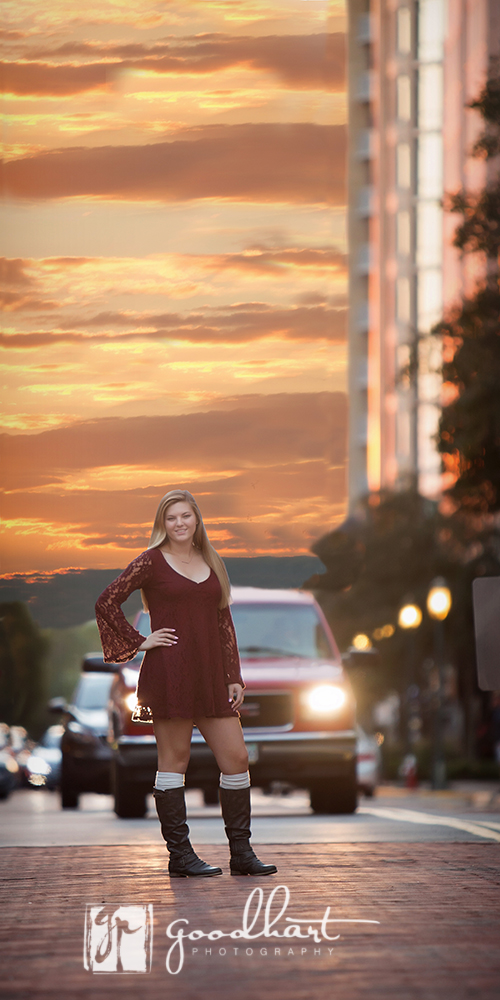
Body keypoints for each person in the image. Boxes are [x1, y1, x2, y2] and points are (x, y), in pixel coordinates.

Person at [95, 488, 277, 879]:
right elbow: (107, 600)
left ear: (197, 520)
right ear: (162, 523)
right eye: (171, 517)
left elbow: (223, 621)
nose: (179, 523)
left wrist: (233, 676)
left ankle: (241, 855)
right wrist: (139, 642)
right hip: (170, 674)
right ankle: (180, 856)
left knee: (237, 758)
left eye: (185, 516)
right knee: (174, 763)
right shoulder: (151, 562)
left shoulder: (211, 560)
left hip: (211, 674)